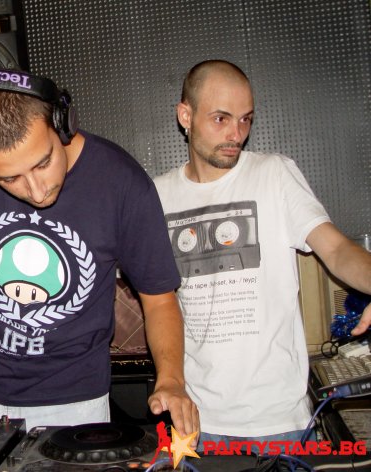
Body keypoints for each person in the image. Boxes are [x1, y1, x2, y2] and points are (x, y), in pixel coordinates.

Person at [0, 68, 199, 437]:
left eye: (42, 163)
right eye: (9, 179)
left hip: (76, 404)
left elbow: (159, 299)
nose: (37, 191)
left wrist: (171, 380)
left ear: (62, 124)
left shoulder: (121, 182)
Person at [153, 59, 371, 451]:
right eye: (221, 118)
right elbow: (153, 298)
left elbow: (337, 249)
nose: (236, 134)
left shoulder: (275, 174)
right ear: (185, 115)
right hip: (196, 423)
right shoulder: (157, 195)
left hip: (278, 423)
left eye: (245, 120)